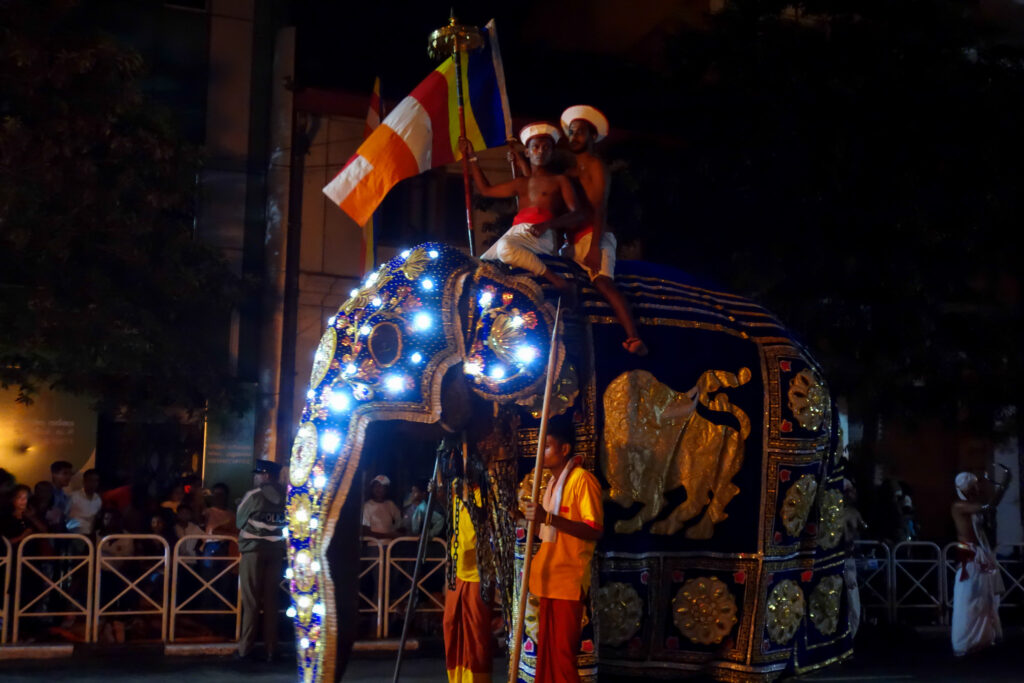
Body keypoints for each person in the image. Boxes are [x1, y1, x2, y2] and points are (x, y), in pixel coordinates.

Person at [520, 418, 603, 683]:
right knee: (548, 657)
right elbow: (545, 534)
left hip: (567, 581)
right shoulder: (550, 486)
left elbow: (594, 530)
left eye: (547, 447)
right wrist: (524, 517)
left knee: (563, 658)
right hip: (546, 580)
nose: (541, 452)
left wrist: (548, 518)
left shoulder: (582, 480)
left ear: (564, 449)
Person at [560, 105, 646, 355]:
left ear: (591, 137)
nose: (574, 137)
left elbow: (599, 207)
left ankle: (634, 338)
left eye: (580, 132)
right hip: (571, 241)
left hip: (594, 235)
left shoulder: (596, 165)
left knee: (603, 283)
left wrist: (596, 246)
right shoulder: (569, 172)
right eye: (572, 132)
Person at [465, 123, 580, 295]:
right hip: (515, 233)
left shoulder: (560, 180)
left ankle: (557, 281)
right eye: (535, 147)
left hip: (538, 234)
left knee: (505, 248)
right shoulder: (521, 183)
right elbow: (485, 190)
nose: (540, 151)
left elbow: (577, 214)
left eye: (546, 148)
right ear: (527, 152)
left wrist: (547, 225)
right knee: (478, 266)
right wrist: (472, 157)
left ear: (552, 153)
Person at [444, 477, 494, 683]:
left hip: (478, 572)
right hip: (459, 569)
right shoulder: (458, 488)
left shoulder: (489, 491)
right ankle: (457, 679)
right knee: (451, 624)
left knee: (476, 634)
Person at [236, 459, 287, 662]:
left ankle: (245, 649)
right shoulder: (286, 497)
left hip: (253, 551)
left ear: (265, 475)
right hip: (276, 551)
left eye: (258, 474)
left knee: (251, 602)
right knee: (272, 601)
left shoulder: (254, 496)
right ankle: (271, 649)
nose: (255, 477)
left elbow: (239, 521)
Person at [950, 471, 1004, 656]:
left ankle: (984, 640)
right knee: (969, 600)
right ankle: (965, 643)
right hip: (969, 556)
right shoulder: (959, 506)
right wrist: (1002, 487)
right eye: (972, 486)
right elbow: (987, 507)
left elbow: (988, 511)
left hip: (981, 555)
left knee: (985, 599)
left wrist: (1003, 486)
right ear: (964, 488)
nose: (976, 489)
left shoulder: (973, 506)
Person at [361, 475, 402, 539]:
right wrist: (389, 536)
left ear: (386, 489)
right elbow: (365, 532)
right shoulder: (367, 506)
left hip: (391, 545)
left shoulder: (390, 505)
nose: (378, 488)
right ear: (372, 488)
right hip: (374, 546)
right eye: (376, 486)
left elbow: (400, 522)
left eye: (381, 486)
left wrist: (396, 532)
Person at [66, 469, 102, 536]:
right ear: (84, 481)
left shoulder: (98, 500)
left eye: (96, 481)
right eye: (90, 480)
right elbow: (64, 515)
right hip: (75, 535)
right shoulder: (73, 496)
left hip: (90, 536)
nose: (93, 484)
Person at [46, 460, 72, 531]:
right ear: (54, 474)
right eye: (65, 473)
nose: (68, 477)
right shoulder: (46, 492)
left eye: (70, 474)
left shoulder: (64, 495)